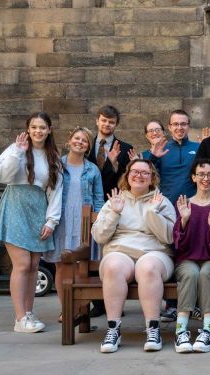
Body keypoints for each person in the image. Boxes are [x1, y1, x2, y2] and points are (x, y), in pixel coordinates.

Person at [92, 159, 176, 353]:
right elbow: (99, 236)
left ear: (152, 178)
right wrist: (114, 213)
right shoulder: (116, 199)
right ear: (127, 175)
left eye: (145, 173)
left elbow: (170, 237)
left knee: (147, 268)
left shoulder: (160, 201)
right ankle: (113, 329)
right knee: (113, 266)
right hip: (120, 251)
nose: (139, 175)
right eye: (135, 171)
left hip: (155, 252)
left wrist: (152, 213)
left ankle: (153, 329)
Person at [0, 112, 63, 333]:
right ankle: (20, 318)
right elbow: (1, 176)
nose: (38, 131)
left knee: (33, 265)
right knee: (22, 264)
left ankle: (29, 312)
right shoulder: (16, 149)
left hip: (38, 209)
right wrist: (18, 153)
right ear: (28, 129)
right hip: (15, 205)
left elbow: (55, 191)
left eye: (42, 127)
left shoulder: (53, 157)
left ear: (49, 130)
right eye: (34, 127)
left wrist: (51, 221)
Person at [43, 127, 104, 322]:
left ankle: (79, 309)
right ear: (69, 140)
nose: (80, 142)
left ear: (88, 146)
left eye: (84, 140)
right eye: (77, 138)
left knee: (81, 268)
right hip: (61, 221)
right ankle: (66, 308)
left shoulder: (92, 169)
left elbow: (98, 198)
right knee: (62, 266)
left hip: (83, 223)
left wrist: (99, 223)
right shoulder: (56, 165)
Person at [173, 159, 210, 353]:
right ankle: (181, 332)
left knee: (206, 273)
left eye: (209, 175)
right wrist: (184, 221)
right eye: (201, 174)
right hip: (187, 259)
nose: (205, 178)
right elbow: (178, 244)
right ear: (193, 177)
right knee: (190, 273)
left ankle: (208, 331)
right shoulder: (184, 205)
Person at [87, 105, 133, 318]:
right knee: (90, 254)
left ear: (116, 124)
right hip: (87, 205)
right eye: (104, 120)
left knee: (111, 253)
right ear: (97, 121)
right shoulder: (85, 144)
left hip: (112, 206)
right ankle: (97, 303)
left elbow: (126, 182)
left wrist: (113, 166)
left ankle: (115, 301)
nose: (107, 124)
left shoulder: (125, 148)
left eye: (111, 122)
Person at [142, 111, 199, 204]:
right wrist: (154, 157)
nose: (179, 128)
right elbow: (149, 176)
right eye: (175, 124)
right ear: (169, 127)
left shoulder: (198, 147)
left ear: (188, 126)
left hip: (193, 203)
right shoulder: (161, 149)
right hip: (167, 204)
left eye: (183, 124)